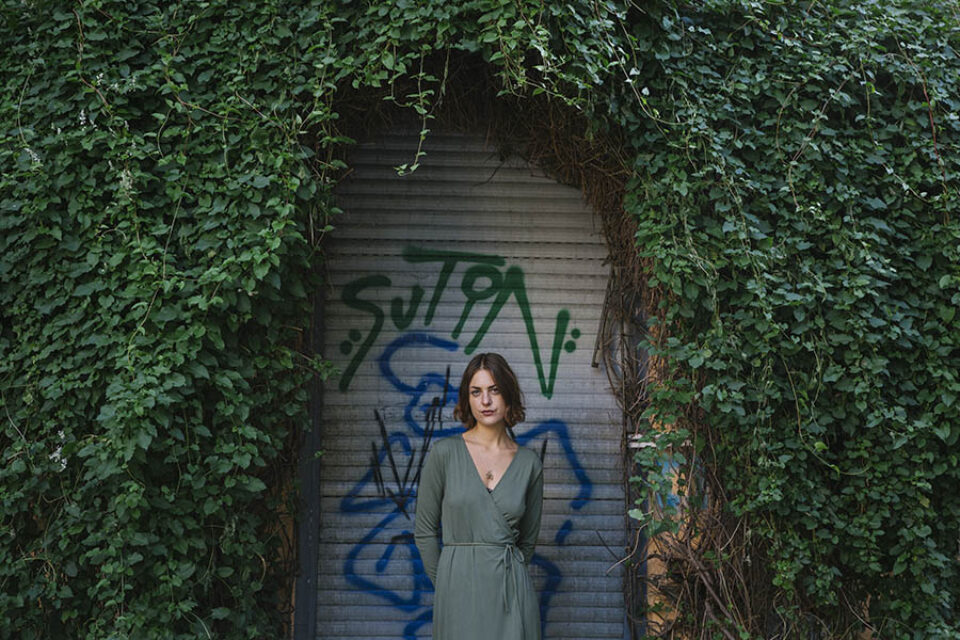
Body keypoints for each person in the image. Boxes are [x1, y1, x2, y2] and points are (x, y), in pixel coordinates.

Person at [414, 352, 544, 640]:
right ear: (467, 398)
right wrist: (447, 583)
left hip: (511, 596)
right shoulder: (444, 453)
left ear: (508, 395)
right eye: (476, 392)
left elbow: (527, 542)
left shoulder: (529, 463)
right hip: (457, 593)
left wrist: (509, 579)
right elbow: (424, 532)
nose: (485, 401)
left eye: (494, 390)